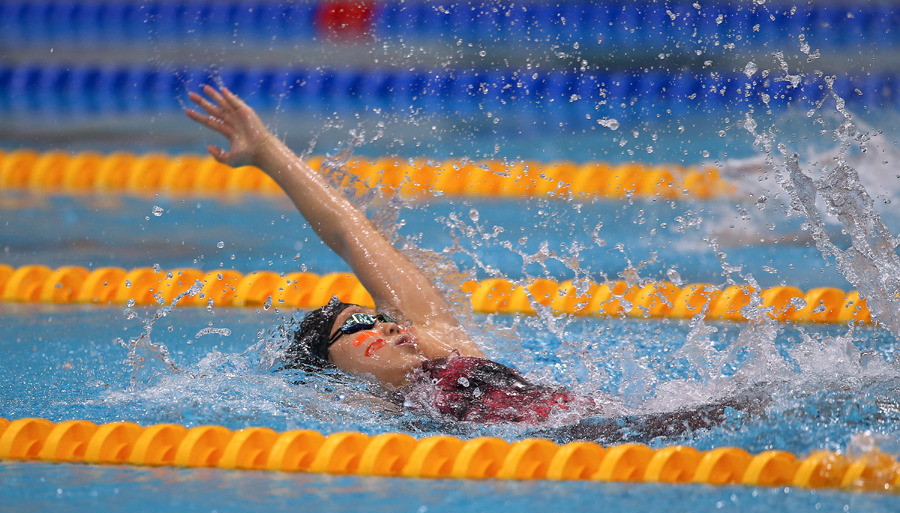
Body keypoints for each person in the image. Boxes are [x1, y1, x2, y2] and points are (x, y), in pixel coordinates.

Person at [186, 86, 766, 433]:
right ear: (331, 368)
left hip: (621, 427)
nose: (383, 325)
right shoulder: (365, 414)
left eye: (377, 316)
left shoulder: (443, 340)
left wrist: (269, 151)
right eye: (357, 326)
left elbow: (351, 233)